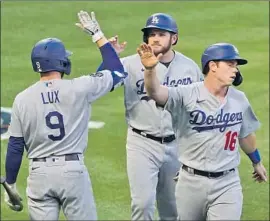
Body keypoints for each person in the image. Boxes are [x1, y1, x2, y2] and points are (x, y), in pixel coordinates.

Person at [4, 10, 127, 220]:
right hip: (72, 173)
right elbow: (116, 73)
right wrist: (99, 37)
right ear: (61, 63)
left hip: (39, 175)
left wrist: (11, 183)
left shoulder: (22, 99)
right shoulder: (78, 88)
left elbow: (15, 145)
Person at [137, 42, 267, 220]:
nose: (235, 70)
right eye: (230, 64)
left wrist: (256, 162)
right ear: (213, 66)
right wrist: (150, 70)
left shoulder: (239, 99)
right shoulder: (186, 94)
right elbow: (156, 93)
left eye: (235, 66)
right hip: (190, 183)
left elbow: (244, 134)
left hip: (227, 182)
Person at [97, 13, 204, 220]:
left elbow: (200, 105)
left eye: (161, 34)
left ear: (174, 38)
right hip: (142, 143)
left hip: (177, 145)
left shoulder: (189, 67)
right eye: (151, 34)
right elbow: (100, 84)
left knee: (172, 208)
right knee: (142, 204)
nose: (155, 38)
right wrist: (110, 59)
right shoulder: (129, 64)